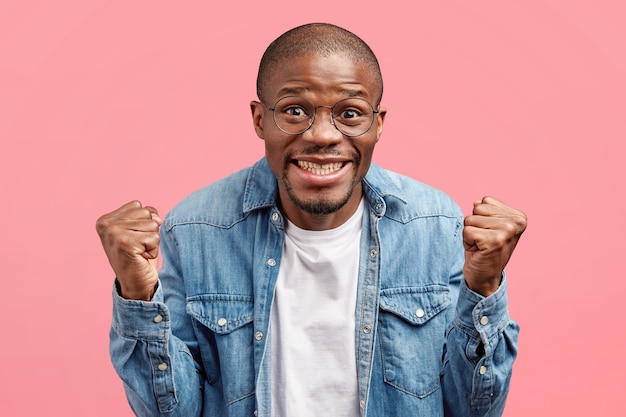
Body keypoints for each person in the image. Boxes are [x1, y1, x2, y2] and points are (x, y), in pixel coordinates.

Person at [96, 23, 527, 417]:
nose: (322, 135)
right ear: (260, 119)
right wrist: (138, 293)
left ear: (378, 125)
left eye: (350, 113)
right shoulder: (195, 229)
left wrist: (484, 288)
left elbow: (472, 411)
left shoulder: (434, 225)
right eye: (295, 110)